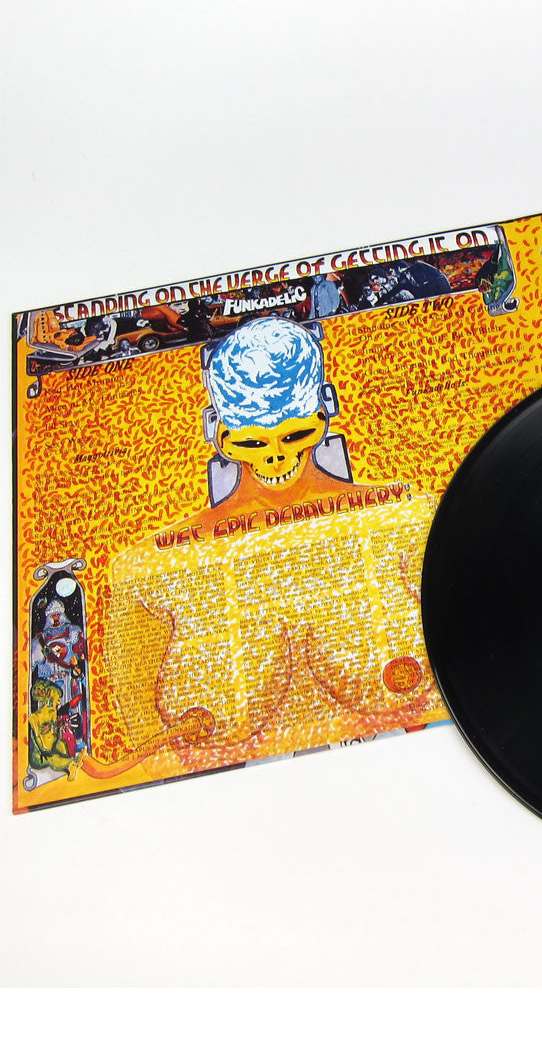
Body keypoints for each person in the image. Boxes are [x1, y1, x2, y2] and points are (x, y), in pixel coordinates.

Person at [101, 316, 439, 781]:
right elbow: (146, 749)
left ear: (325, 411)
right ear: (219, 433)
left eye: (294, 434)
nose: (277, 457)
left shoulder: (408, 522)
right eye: (253, 441)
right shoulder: (151, 570)